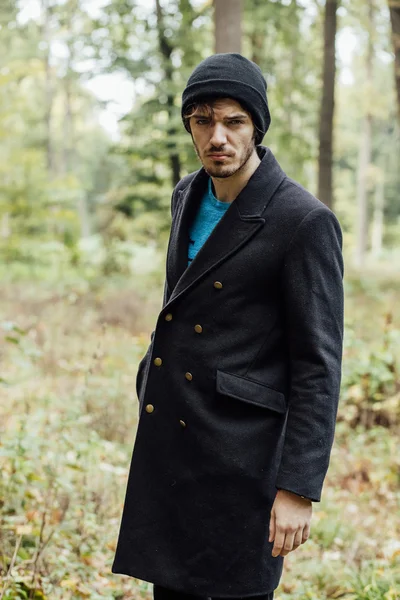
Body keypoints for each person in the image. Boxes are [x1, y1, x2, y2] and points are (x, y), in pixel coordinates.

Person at [111, 53, 344, 600]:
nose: (218, 136)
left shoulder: (304, 221)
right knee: (168, 589)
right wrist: (150, 376)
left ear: (256, 128)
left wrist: (298, 488)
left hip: (245, 456)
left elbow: (318, 364)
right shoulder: (186, 195)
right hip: (173, 436)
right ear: (190, 126)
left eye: (234, 121)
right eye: (203, 120)